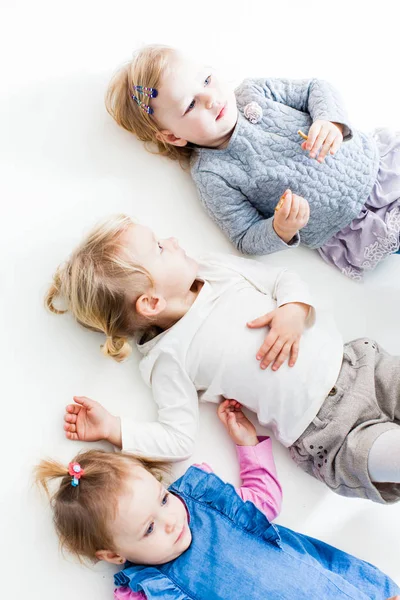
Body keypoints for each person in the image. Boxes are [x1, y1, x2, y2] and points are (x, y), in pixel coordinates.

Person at [46, 214, 400, 504]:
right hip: (331, 434)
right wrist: (115, 429)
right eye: (158, 247)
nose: (171, 241)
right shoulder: (167, 360)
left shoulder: (213, 270)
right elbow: (178, 437)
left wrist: (292, 309)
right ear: (151, 302)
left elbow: (281, 278)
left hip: (364, 367)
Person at [35, 401, 400, 600]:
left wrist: (247, 446)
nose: (171, 521)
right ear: (114, 555)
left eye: (163, 499)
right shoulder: (148, 590)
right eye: (148, 529)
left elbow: (265, 501)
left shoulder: (204, 503)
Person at [105, 45, 400, 280]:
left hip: (381, 166)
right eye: (190, 104)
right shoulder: (213, 174)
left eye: (206, 80)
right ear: (172, 137)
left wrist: (329, 121)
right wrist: (280, 228)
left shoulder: (254, 92)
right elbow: (245, 236)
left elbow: (315, 88)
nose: (210, 98)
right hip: (358, 227)